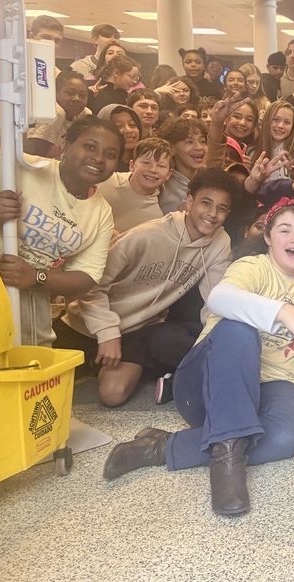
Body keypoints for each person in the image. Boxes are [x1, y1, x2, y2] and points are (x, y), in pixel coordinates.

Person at [101, 198, 294, 515]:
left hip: (271, 383)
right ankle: (227, 467)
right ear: (267, 237)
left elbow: (293, 335)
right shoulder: (252, 267)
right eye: (284, 230)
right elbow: (220, 298)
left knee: (290, 432)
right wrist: (283, 311)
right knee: (237, 328)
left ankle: (160, 447)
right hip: (209, 385)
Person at [56, 168, 236, 407]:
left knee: (112, 395)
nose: (212, 214)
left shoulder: (219, 243)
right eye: (206, 203)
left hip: (135, 330)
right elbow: (90, 285)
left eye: (221, 208)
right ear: (189, 202)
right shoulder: (146, 235)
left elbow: (215, 299)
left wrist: (216, 344)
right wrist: (107, 333)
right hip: (86, 324)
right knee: (40, 385)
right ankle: (95, 361)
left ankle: (103, 367)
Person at [0, 116, 123, 345]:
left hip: (31, 318)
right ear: (66, 144)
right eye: (89, 146)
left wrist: (36, 277)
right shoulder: (19, 167)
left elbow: (86, 277)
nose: (98, 158)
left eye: (110, 154)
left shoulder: (101, 213)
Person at [0, 15, 64, 123]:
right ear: (31, 36)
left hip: (37, 131)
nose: (52, 43)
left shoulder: (57, 74)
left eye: (57, 41)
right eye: (46, 37)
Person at [97, 137, 173, 233]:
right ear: (132, 165)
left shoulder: (155, 219)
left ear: (169, 174)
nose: (153, 170)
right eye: (146, 163)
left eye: (161, 166)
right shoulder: (105, 180)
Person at [25, 71, 91, 158]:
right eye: (70, 93)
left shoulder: (83, 114)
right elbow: (37, 157)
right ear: (55, 93)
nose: (77, 98)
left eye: (82, 95)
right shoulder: (54, 112)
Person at [250, 100, 294, 187]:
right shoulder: (252, 151)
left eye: (287, 122)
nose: (280, 126)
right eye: (276, 120)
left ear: (293, 127)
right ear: (267, 121)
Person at [158, 117, 209, 213]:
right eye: (189, 142)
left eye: (202, 141)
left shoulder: (210, 180)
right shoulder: (160, 183)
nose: (199, 147)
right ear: (171, 147)